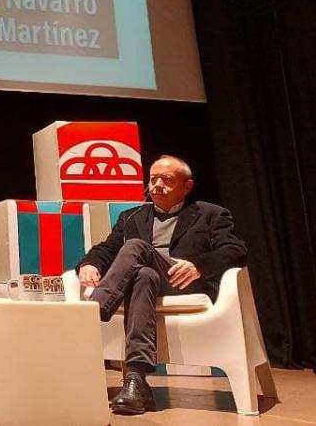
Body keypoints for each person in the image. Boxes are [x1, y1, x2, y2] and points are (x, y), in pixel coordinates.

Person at [77, 155, 248, 415]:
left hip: (185, 283)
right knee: (144, 275)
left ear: (186, 186)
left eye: (166, 180)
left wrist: (198, 265)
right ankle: (135, 381)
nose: (156, 185)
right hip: (149, 284)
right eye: (153, 178)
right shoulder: (132, 217)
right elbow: (107, 248)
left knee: (135, 247)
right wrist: (90, 264)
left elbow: (236, 250)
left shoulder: (209, 213)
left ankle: (89, 315)